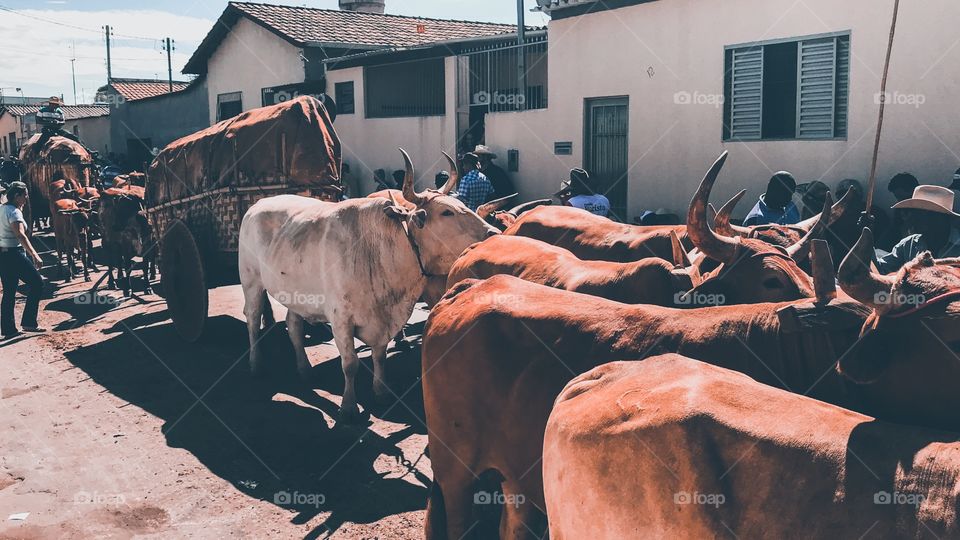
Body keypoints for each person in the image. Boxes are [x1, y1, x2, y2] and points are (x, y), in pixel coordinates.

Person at [876, 185, 960, 274]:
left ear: (945, 219)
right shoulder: (908, 244)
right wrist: (866, 238)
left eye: (927, 215)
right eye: (916, 213)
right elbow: (880, 269)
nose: (915, 219)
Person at [0, 182, 44, 338]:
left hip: (3, 255)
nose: (26, 198)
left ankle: (9, 330)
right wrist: (34, 254)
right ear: (17, 196)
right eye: (24, 195)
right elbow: (20, 235)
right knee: (37, 283)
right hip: (14, 254)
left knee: (9, 292)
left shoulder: (2, 209)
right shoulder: (14, 212)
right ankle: (29, 322)